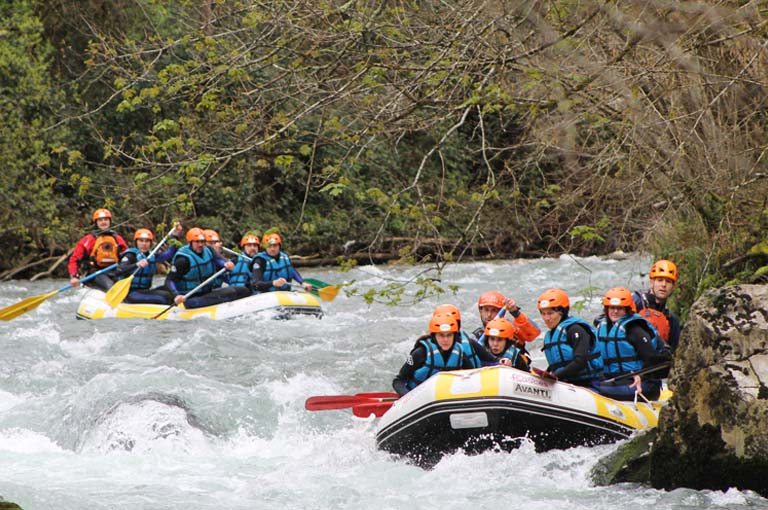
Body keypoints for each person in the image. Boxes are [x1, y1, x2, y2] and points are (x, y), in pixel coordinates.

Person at [593, 287, 672, 401]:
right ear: (607, 308)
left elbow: (652, 358)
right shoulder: (602, 327)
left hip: (643, 384)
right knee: (592, 385)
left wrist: (641, 375)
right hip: (615, 380)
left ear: (627, 310)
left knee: (597, 389)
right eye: (612, 307)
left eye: (619, 308)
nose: (615, 311)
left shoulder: (635, 329)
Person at [392, 312, 476, 396]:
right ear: (434, 336)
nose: (446, 339)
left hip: (444, 397)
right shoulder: (420, 353)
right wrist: (408, 397)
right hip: (417, 398)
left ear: (455, 336)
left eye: (449, 335)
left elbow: (472, 378)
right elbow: (398, 381)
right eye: (441, 335)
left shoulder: (460, 354)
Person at [165, 227, 246, 309]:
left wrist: (226, 264)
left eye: (202, 242)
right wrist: (176, 295)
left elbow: (219, 260)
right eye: (197, 242)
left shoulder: (209, 250)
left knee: (243, 290)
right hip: (189, 298)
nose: (200, 245)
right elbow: (169, 280)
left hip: (207, 293)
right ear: (190, 242)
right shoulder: (183, 260)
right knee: (226, 295)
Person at [537, 288, 603, 385]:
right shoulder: (552, 334)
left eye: (550, 313)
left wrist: (556, 376)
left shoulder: (575, 329)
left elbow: (580, 361)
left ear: (562, 312)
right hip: (566, 382)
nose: (546, 318)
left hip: (588, 383)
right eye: (543, 313)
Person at [112, 225, 183, 304]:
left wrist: (175, 236)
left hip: (145, 291)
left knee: (171, 292)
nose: (144, 244)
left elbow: (169, 253)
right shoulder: (131, 255)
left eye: (147, 241)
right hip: (130, 293)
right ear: (136, 242)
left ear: (150, 243)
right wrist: (136, 265)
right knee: (163, 298)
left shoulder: (152, 256)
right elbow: (119, 270)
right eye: (141, 241)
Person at [68, 208, 129, 292]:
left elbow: (128, 257)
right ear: (96, 222)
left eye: (106, 219)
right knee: (111, 287)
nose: (103, 222)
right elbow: (74, 260)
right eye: (100, 220)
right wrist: (74, 277)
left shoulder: (117, 239)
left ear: (110, 221)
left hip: (114, 272)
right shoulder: (88, 240)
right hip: (95, 274)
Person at [633, 259, 682, 352]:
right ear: (652, 282)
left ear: (673, 287)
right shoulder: (635, 302)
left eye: (668, 281)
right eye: (660, 280)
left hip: (657, 363)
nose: (663, 285)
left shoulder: (672, 319)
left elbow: (674, 350)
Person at [432, 304, 498, 368]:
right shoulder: (425, 349)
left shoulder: (468, 344)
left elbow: (494, 361)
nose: (445, 338)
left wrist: (504, 361)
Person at [473, 290, 541, 344]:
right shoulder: (477, 337)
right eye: (486, 310)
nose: (489, 315)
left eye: (494, 311)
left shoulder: (512, 329)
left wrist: (515, 313)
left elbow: (533, 334)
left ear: (502, 312)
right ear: (480, 311)